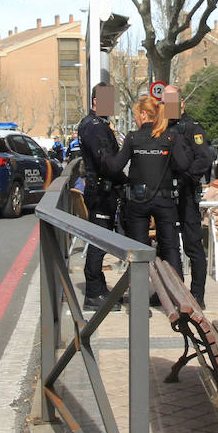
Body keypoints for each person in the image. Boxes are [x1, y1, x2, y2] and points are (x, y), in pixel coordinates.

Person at [107, 94, 194, 298]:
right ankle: (177, 296)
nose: (136, 119)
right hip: (165, 199)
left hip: (138, 200)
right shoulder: (170, 137)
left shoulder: (133, 138)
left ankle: (138, 299)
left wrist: (105, 159)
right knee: (170, 247)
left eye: (137, 115)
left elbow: (115, 167)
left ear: (144, 114)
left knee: (138, 249)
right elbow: (184, 165)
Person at [162, 85, 214, 304]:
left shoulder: (192, 128)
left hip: (186, 192)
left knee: (193, 244)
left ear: (181, 103)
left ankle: (197, 294)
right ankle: (173, 290)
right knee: (167, 245)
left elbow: (204, 158)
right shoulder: (162, 127)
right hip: (165, 193)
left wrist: (186, 176)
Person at [77, 83, 125, 310]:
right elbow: (106, 162)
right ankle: (93, 293)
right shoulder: (95, 127)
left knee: (101, 241)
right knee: (98, 242)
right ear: (95, 101)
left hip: (103, 189)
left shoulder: (98, 124)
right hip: (100, 191)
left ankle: (98, 287)